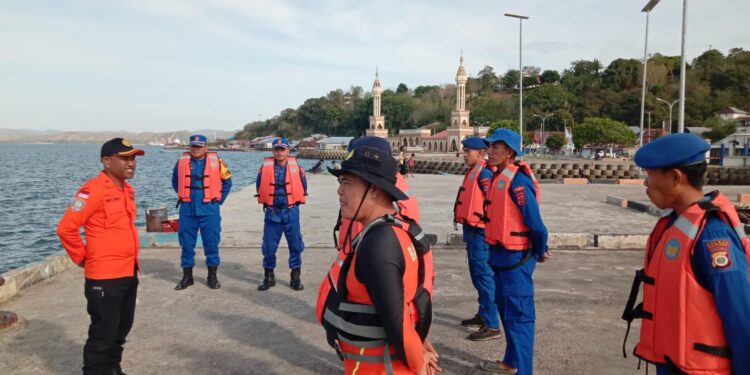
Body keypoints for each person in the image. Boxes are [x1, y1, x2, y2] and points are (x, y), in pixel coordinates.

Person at [621, 133, 750, 375]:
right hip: (673, 363)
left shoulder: (713, 235)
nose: (646, 184)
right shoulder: (676, 223)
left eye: (649, 175)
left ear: (676, 177)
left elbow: (742, 317)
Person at [317, 142, 441, 375]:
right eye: (339, 182)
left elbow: (397, 321)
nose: (339, 191)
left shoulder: (379, 244)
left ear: (373, 189)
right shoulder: (388, 232)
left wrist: (418, 363)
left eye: (346, 182)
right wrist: (420, 344)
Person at [57, 138, 145, 375]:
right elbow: (66, 228)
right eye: (125, 158)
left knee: (120, 330)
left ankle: (113, 370)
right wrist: (83, 258)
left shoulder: (127, 189)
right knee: (103, 336)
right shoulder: (92, 190)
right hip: (105, 278)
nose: (132, 163)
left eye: (133, 158)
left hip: (128, 272)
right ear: (106, 161)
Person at [478, 129, 549, 375]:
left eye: (496, 147)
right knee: (505, 311)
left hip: (516, 259)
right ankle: (511, 361)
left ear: (509, 151)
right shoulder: (499, 177)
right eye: (490, 147)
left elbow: (536, 224)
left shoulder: (518, 181)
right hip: (498, 255)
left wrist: (541, 249)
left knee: (519, 316)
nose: (490, 151)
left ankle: (524, 370)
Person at [453, 137, 500, 341]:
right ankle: (483, 315)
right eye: (464, 151)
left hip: (480, 232)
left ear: (480, 154)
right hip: (472, 230)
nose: (464, 154)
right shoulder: (476, 171)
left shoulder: (485, 174)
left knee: (484, 276)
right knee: (477, 275)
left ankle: (492, 325)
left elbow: (494, 202)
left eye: (468, 151)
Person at [172, 134, 232, 290]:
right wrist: (186, 195)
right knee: (186, 244)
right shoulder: (181, 163)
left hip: (209, 210)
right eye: (193, 146)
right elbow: (175, 182)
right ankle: (187, 277)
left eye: (199, 146)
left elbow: (227, 183)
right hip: (187, 210)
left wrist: (217, 200)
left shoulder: (218, 163)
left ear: (206, 147)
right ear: (189, 147)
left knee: (211, 243)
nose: (196, 149)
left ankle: (212, 276)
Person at [255, 137, 308, 291]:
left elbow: (303, 186)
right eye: (276, 149)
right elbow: (259, 186)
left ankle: (295, 277)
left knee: (295, 246)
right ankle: (269, 277)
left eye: (282, 149)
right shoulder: (264, 168)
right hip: (272, 213)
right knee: (269, 247)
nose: (279, 152)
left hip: (291, 211)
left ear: (288, 150)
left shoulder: (297, 168)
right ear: (273, 151)